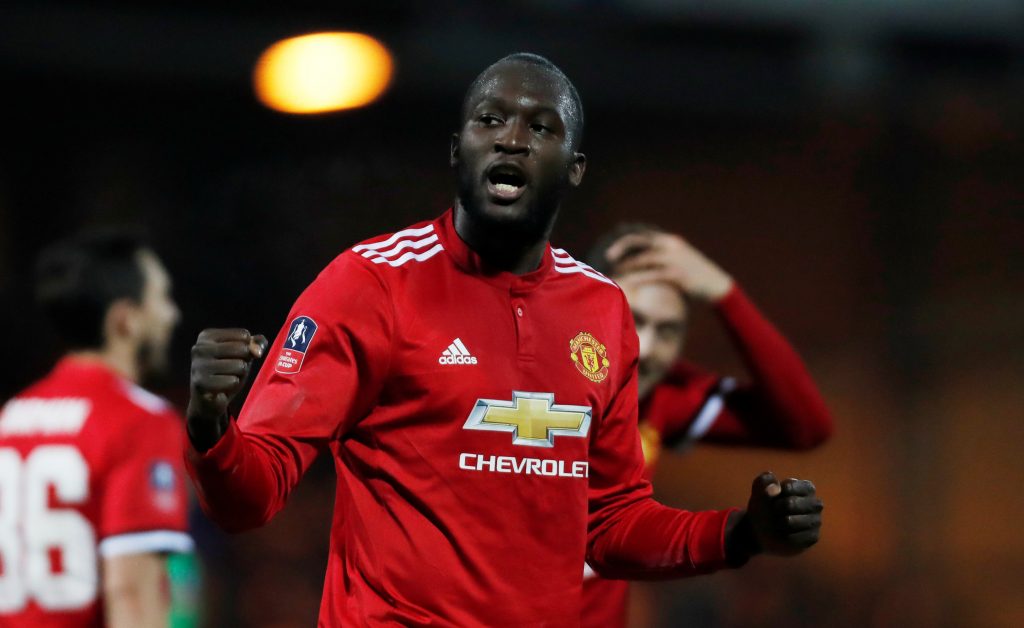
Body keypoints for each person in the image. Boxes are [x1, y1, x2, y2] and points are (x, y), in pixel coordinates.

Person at [184, 53, 824, 626]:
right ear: (458, 149)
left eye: (540, 127)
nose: (512, 140)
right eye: (490, 121)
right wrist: (213, 428)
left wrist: (741, 535)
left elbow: (611, 523)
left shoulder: (602, 309)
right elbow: (251, 497)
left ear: (573, 169)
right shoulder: (372, 284)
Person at [580, 225, 834, 626]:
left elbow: (806, 426)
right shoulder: (530, 392)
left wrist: (723, 292)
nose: (645, 348)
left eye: (668, 330)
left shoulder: (664, 399)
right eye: (633, 319)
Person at [0, 230, 192, 627]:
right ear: (126, 319)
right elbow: (132, 594)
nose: (172, 315)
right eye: (161, 298)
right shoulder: (141, 421)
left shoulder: (11, 418)